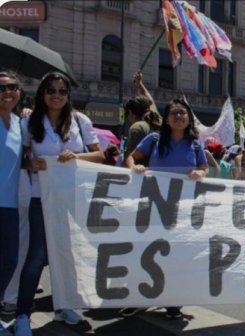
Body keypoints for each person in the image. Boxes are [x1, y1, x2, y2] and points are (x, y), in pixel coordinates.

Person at [16, 72, 105, 336]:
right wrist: (29, 163)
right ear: (42, 93)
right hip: (38, 196)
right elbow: (20, 158)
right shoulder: (29, 122)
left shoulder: (80, 120)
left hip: (72, 197)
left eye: (62, 91)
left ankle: (63, 306)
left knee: (67, 255)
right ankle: (22, 313)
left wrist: (77, 156)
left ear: (68, 95)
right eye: (51, 90)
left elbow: (100, 155)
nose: (57, 95)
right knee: (37, 255)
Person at [125, 98, 208, 319]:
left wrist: (200, 173)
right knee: (147, 252)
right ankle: (141, 296)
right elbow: (131, 158)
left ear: (189, 118)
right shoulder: (154, 139)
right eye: (175, 114)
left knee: (176, 254)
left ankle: (173, 300)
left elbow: (204, 167)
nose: (179, 117)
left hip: (181, 210)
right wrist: (137, 167)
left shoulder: (195, 144)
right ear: (167, 118)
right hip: (152, 205)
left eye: (183, 113)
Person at [0, 72, 23, 336]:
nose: (8, 91)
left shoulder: (20, 122)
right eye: (2, 87)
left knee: (9, 261)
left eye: (13, 87)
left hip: (9, 204)